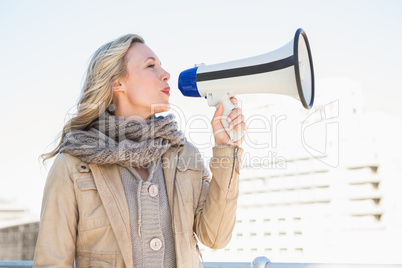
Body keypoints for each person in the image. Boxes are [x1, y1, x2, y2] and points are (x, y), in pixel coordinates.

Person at [33, 34, 247, 268]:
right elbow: (51, 262)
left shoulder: (184, 154)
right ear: (117, 83)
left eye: (161, 65)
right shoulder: (73, 165)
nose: (165, 74)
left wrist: (227, 149)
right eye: (150, 66)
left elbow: (215, 237)